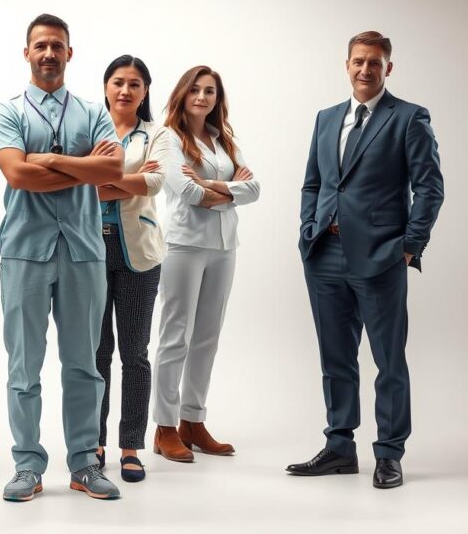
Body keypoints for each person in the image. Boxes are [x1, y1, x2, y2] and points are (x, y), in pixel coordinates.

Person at [287, 31, 444, 489]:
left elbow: (430, 186)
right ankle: (339, 446)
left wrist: (409, 244)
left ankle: (390, 453)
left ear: (387, 68)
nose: (365, 69)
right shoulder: (327, 118)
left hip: (380, 258)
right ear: (347, 64)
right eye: (358, 61)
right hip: (324, 254)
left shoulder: (409, 118)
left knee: (388, 360)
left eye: (374, 62)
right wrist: (307, 233)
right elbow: (314, 184)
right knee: (336, 359)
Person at [0, 14, 125, 502]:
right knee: (24, 368)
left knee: (84, 365)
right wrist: (80, 168)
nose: (49, 53)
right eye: (40, 45)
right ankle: (27, 465)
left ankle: (85, 463)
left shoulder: (93, 111)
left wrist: (46, 160)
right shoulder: (8, 112)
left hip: (83, 250)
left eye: (58, 46)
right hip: (24, 250)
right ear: (26, 52)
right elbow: (17, 177)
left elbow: (112, 166)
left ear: (71, 53)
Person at [152, 65, 260, 463]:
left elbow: (255, 189)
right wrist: (230, 189)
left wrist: (214, 186)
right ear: (182, 94)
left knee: (208, 337)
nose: (202, 97)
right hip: (184, 244)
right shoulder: (167, 138)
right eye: (195, 89)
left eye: (210, 91)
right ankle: (164, 426)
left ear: (218, 98)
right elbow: (187, 193)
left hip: (223, 245)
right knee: (175, 335)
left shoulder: (222, 139)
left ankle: (192, 422)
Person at [93, 56, 168, 482]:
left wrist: (104, 180)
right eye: (118, 82)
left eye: (134, 84)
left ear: (144, 91)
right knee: (97, 353)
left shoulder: (158, 133)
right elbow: (74, 182)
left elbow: (154, 184)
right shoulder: (88, 127)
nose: (125, 91)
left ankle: (131, 446)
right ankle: (95, 440)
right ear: (106, 87)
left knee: (134, 354)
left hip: (138, 251)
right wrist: (131, 177)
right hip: (89, 249)